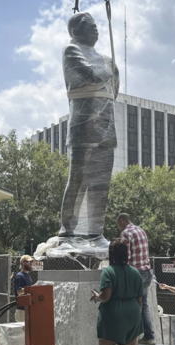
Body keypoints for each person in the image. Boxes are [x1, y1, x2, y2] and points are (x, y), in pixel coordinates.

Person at [58, 12, 119, 244]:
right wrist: (110, 68)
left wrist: (111, 67)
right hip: (83, 128)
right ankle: (68, 231)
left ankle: (95, 231)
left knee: (101, 184)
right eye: (89, 26)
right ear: (75, 30)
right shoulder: (72, 50)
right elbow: (92, 76)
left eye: (97, 26)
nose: (96, 30)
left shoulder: (106, 58)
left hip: (106, 126)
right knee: (79, 179)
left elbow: (113, 90)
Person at [89, 240, 144, 345]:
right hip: (133, 314)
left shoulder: (108, 271)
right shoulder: (136, 273)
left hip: (112, 315)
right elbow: (140, 299)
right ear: (126, 254)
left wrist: (96, 296)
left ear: (111, 254)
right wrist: (134, 315)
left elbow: (106, 296)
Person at [117, 213, 155, 345]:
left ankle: (128, 338)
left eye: (118, 225)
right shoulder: (141, 230)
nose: (118, 228)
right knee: (143, 305)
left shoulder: (126, 233)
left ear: (122, 221)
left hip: (135, 274)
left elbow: (125, 257)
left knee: (129, 305)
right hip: (146, 272)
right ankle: (149, 336)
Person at [14, 255, 35, 322]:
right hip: (22, 310)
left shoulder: (28, 276)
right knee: (22, 332)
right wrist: (32, 287)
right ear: (23, 263)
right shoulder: (19, 276)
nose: (31, 263)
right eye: (29, 261)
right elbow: (19, 292)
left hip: (27, 309)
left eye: (32, 261)